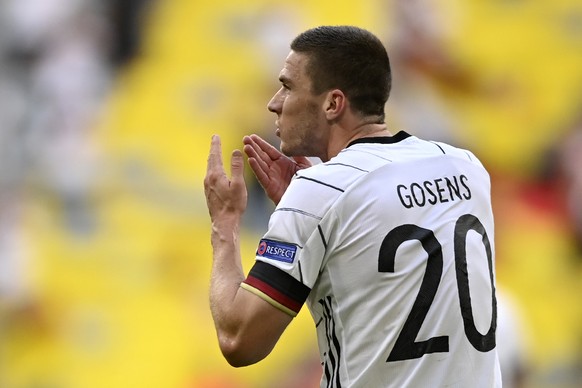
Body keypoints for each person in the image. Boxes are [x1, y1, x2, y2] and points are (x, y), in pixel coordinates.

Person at [204, 25, 501, 387]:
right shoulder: (466, 167)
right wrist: (311, 217)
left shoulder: (321, 192)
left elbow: (239, 340)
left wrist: (226, 224)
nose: (274, 102)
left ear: (332, 103)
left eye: (287, 85)